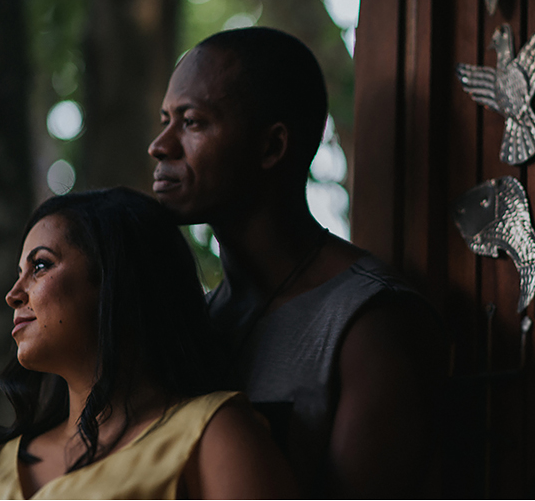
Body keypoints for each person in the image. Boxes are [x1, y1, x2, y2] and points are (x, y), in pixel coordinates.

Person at [148, 28, 447, 497]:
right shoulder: (197, 322)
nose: (160, 145)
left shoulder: (371, 321)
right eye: (165, 119)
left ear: (272, 147)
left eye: (192, 122)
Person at [0, 188, 295, 499]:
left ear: (118, 282)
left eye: (40, 265)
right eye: (19, 272)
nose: (13, 294)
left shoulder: (213, 436)